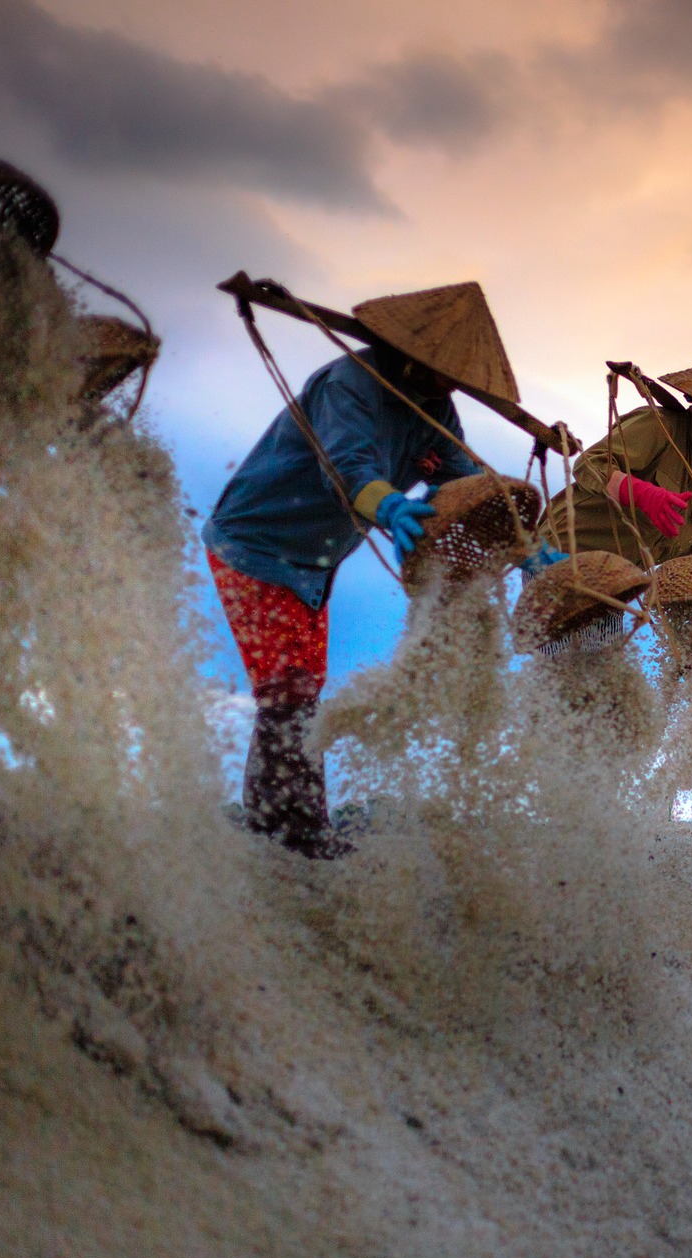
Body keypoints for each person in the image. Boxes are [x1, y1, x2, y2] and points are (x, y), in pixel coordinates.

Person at [203, 282, 514, 858]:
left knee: (299, 691)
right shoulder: (349, 386)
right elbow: (348, 468)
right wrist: (390, 506)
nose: (448, 385)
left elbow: (462, 479)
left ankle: (285, 825)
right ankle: (290, 835)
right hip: (255, 542)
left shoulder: (433, 410)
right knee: (288, 692)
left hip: (314, 562)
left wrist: (523, 546)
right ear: (408, 353)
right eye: (440, 371)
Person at [539, 354, 692, 568]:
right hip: (562, 554)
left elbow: (687, 546)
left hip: (613, 577)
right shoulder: (660, 425)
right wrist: (640, 493)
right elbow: (589, 465)